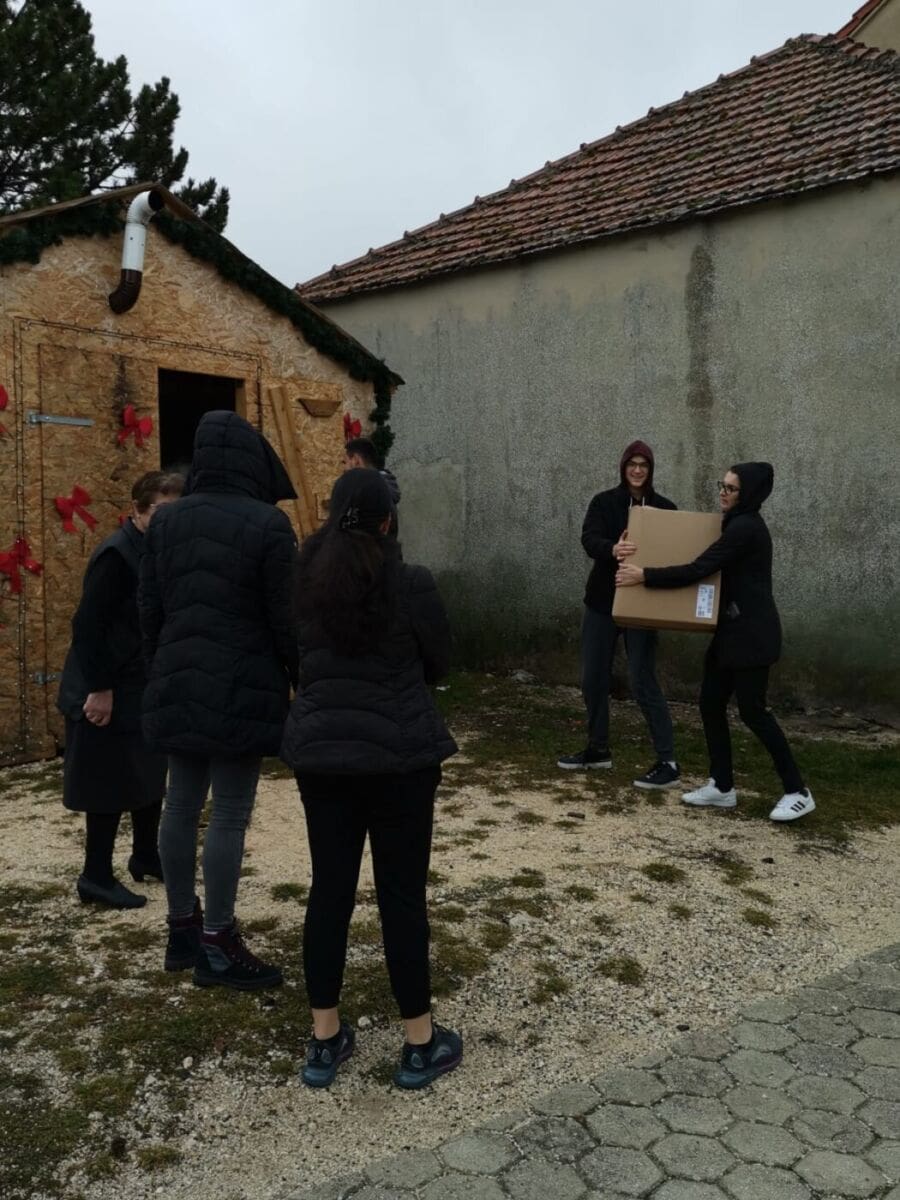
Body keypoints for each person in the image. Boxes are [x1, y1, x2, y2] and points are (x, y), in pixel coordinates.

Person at [280, 469, 461, 1090]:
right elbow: (439, 662)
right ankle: (419, 1041)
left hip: (322, 758)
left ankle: (324, 1038)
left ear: (333, 515)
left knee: (329, 892)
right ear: (388, 521)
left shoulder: (304, 581)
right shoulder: (410, 583)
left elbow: (294, 659)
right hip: (400, 760)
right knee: (402, 898)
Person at [139, 411, 299, 985]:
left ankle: (182, 929)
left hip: (178, 676)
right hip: (241, 682)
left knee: (180, 804)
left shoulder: (165, 521)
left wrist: (163, 664)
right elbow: (286, 618)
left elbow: (149, 607)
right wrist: (301, 676)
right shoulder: (269, 524)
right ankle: (218, 943)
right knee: (229, 811)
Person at [615, 462, 814, 822]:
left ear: (748, 493)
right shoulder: (733, 523)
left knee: (753, 712)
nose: (723, 492)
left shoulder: (746, 529)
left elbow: (699, 568)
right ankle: (722, 786)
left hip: (752, 636)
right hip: (730, 633)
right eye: (721, 485)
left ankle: (797, 791)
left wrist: (644, 575)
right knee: (710, 703)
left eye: (731, 488)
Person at [57, 470, 184, 908]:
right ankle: (95, 875)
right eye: (161, 512)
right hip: (104, 682)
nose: (169, 521)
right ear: (138, 511)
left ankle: (146, 855)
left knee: (148, 769)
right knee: (106, 780)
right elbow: (87, 626)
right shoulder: (116, 555)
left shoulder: (157, 551)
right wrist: (100, 688)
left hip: (139, 680)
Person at [558, 440, 681, 789]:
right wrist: (613, 548)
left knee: (642, 680)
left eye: (644, 465)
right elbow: (588, 539)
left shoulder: (664, 508)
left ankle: (668, 760)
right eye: (632, 464)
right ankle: (598, 749)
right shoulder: (604, 502)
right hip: (602, 602)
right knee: (593, 678)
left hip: (643, 604)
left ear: (650, 470)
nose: (637, 470)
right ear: (624, 467)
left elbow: (675, 552)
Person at [344, 435, 400, 534]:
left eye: (344, 462)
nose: (344, 469)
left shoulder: (370, 492)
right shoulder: (381, 490)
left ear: (356, 460)